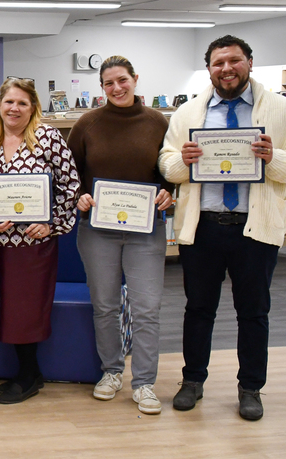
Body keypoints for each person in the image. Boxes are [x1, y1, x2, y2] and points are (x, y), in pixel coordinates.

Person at [158, 35, 286, 421]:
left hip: (255, 228)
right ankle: (192, 380)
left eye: (234, 60)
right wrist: (182, 161)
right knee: (198, 308)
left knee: (253, 312)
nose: (227, 69)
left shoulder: (283, 110)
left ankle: (251, 388)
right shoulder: (189, 113)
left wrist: (274, 158)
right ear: (209, 69)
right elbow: (167, 163)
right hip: (203, 227)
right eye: (218, 63)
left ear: (249, 63)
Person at [66, 56, 172, 415]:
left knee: (147, 309)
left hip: (146, 230)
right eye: (109, 83)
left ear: (135, 79)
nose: (117, 88)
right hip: (98, 231)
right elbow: (70, 173)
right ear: (101, 87)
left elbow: (169, 171)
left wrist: (168, 191)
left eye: (122, 80)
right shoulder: (87, 123)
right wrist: (80, 195)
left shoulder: (158, 122)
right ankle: (111, 372)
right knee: (105, 306)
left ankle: (144, 384)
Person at [0, 77, 79, 404]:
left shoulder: (48, 138)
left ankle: (29, 375)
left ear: (33, 107)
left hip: (34, 243)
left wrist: (51, 223)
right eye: (9, 102)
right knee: (12, 305)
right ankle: (29, 372)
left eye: (22, 103)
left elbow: (70, 186)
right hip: (0, 243)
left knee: (27, 308)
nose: (14, 108)